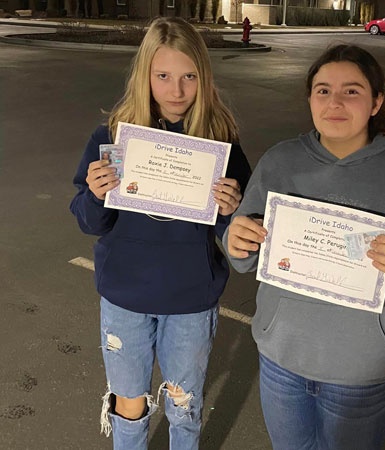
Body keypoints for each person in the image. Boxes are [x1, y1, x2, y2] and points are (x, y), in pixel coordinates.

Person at [224, 45, 385, 450]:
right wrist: (237, 239)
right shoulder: (280, 162)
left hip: (360, 375)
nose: (334, 102)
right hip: (281, 362)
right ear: (309, 99)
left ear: (376, 103)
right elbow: (243, 255)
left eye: (351, 91)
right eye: (322, 91)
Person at [70, 17, 251, 450]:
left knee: (183, 406)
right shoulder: (112, 137)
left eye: (189, 77)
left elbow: (236, 233)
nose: (176, 90)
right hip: (125, 300)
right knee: (129, 405)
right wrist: (96, 196)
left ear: (204, 79)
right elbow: (87, 220)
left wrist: (233, 210)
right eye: (163, 76)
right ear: (144, 76)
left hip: (190, 302)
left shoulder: (219, 143)